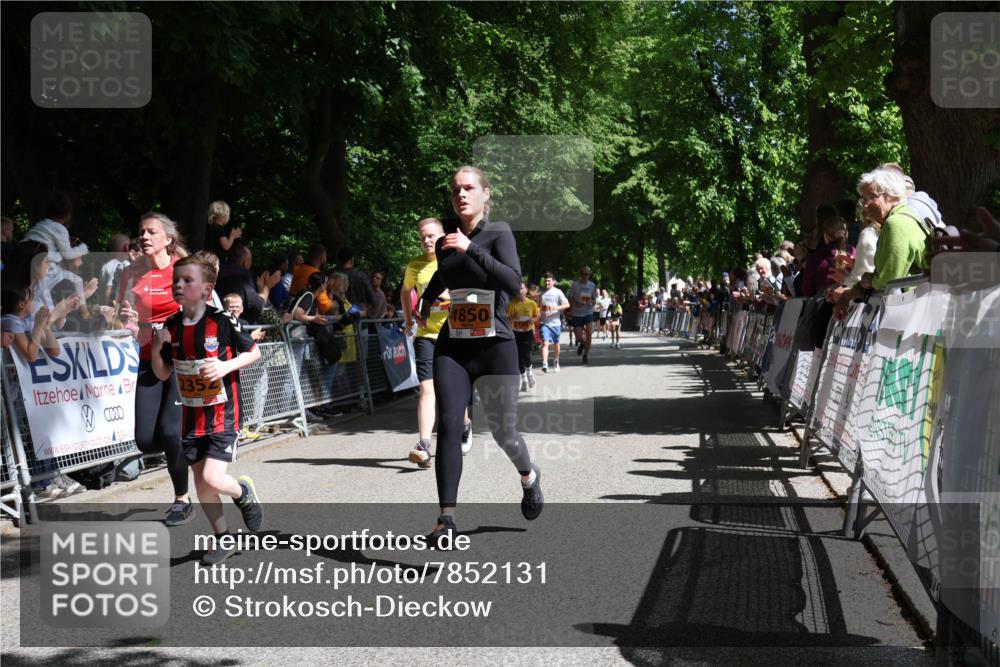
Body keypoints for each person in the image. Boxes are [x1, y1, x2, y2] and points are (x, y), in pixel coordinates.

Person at [417, 166, 543, 545]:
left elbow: (513, 282)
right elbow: (445, 274)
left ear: (485, 194)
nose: (461, 195)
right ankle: (446, 520)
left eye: (469, 188)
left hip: (496, 346)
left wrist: (471, 248)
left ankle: (529, 477)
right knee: (450, 425)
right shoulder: (445, 243)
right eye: (456, 190)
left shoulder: (498, 232)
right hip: (454, 344)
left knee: (504, 431)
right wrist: (425, 299)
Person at [150, 253, 263, 565]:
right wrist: (159, 347)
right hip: (191, 418)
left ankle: (242, 492)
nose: (179, 285)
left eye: (187, 280)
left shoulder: (220, 322)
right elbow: (162, 373)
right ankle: (222, 537)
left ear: (205, 288)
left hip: (223, 415)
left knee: (213, 479)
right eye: (176, 281)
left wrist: (225, 366)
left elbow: (253, 352)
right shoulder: (171, 327)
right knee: (202, 487)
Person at [117, 212, 191, 526]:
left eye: (152, 232)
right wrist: (129, 321)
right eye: (141, 231)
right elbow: (129, 319)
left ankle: (181, 499)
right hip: (149, 358)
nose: (145, 237)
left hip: (181, 361)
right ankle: (191, 447)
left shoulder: (182, 271)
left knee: (172, 432)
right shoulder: (132, 275)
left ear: (168, 239)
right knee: (146, 441)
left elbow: (201, 311)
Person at [402, 218, 472, 467]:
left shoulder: (456, 260)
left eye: (431, 236)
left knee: (452, 391)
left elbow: (474, 294)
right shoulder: (415, 265)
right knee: (427, 388)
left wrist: (445, 296)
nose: (427, 241)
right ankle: (423, 445)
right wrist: (409, 319)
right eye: (422, 237)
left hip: (456, 332)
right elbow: (405, 291)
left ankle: (465, 424)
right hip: (426, 334)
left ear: (443, 236)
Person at [834, 168, 926, 319]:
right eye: (863, 199)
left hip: (911, 317)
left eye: (871, 197)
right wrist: (849, 294)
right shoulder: (899, 219)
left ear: (893, 197)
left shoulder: (896, 223)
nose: (865, 205)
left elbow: (889, 279)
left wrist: (871, 281)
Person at [508, 281, 540, 391]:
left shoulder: (532, 303)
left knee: (526, 353)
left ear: (526, 290)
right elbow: (507, 319)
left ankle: (530, 374)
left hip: (527, 332)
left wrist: (533, 320)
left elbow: (537, 317)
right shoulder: (512, 304)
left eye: (521, 288)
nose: (519, 290)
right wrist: (513, 318)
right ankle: (524, 379)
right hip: (516, 332)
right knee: (518, 356)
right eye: (517, 289)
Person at [538, 272, 569, 373]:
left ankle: (556, 360)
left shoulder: (558, 292)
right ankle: (545, 363)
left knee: (556, 344)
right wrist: (540, 313)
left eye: (549, 280)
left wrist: (555, 308)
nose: (547, 282)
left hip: (555, 323)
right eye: (545, 280)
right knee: (545, 343)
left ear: (553, 282)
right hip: (545, 323)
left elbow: (567, 304)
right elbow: (540, 307)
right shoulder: (541, 293)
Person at [568, 266, 598, 363]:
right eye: (583, 274)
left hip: (588, 312)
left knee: (589, 333)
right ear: (580, 275)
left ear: (589, 275)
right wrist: (576, 303)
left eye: (586, 274)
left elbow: (594, 298)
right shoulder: (575, 285)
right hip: (577, 313)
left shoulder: (592, 285)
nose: (584, 276)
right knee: (578, 336)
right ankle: (582, 343)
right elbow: (570, 297)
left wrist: (593, 302)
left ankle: (585, 355)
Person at [335, 247, 377, 315]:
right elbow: (373, 299)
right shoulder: (362, 276)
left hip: (340, 318)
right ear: (352, 260)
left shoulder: (334, 277)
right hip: (360, 316)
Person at [99, 234, 131, 306]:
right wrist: (107, 307)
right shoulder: (125, 264)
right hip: (118, 306)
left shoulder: (105, 266)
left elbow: (101, 288)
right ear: (126, 248)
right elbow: (108, 288)